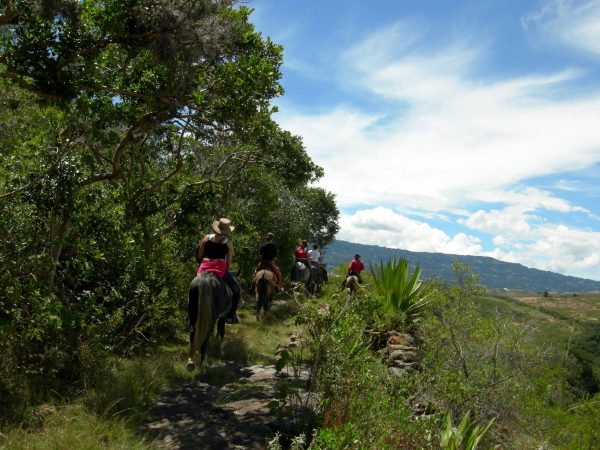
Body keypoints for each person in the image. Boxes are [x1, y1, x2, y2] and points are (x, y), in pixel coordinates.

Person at [194, 217, 241, 324]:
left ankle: (190, 314)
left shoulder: (206, 238)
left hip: (204, 267)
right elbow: (228, 263)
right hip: (220, 269)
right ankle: (230, 315)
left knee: (193, 287)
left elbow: (200, 256)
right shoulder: (228, 243)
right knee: (236, 291)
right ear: (227, 231)